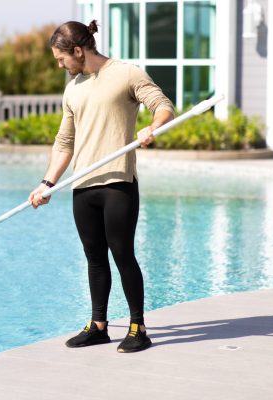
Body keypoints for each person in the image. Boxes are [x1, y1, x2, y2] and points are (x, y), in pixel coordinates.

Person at [28, 20, 174, 353]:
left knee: (123, 255)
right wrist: (47, 183)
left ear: (78, 50)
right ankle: (98, 326)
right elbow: (65, 141)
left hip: (117, 182)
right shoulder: (73, 88)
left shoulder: (126, 73)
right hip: (84, 185)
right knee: (94, 258)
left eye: (61, 59)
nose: (60, 65)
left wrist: (151, 128)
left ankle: (138, 327)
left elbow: (162, 105)